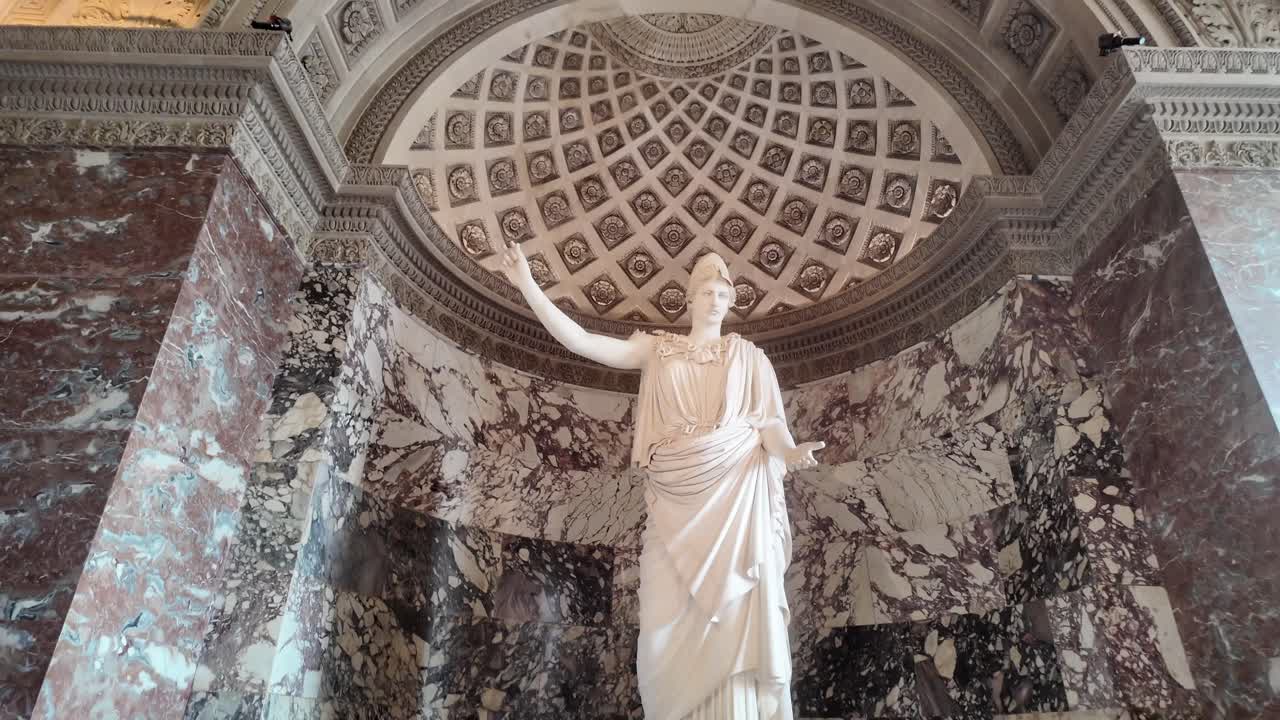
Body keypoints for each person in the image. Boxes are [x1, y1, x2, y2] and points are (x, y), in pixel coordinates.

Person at [500, 241, 823, 720]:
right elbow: (585, 343)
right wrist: (529, 285)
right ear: (689, 300)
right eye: (707, 291)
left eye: (723, 293)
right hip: (674, 504)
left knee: (734, 621)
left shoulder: (751, 359)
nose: (715, 300)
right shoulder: (659, 349)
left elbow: (770, 425)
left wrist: (791, 451)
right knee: (659, 634)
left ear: (731, 302)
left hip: (736, 507)